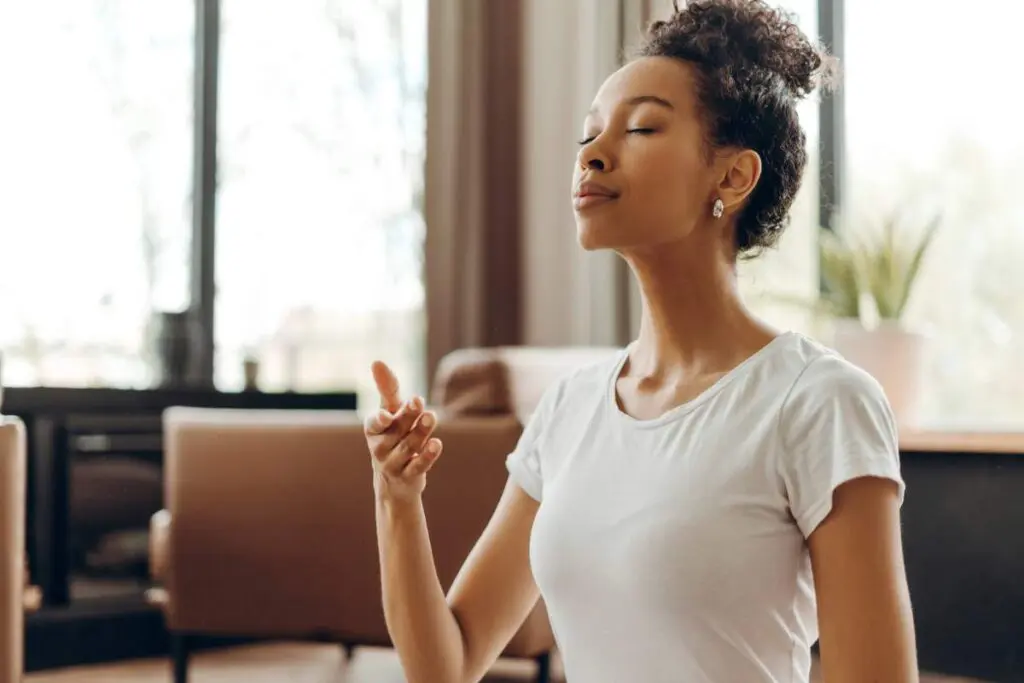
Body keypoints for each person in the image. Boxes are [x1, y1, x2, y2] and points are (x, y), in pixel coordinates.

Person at [364, 1, 918, 681]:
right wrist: (397, 497)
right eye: (588, 134)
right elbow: (445, 666)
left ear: (733, 176)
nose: (592, 154)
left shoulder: (819, 402)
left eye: (642, 127)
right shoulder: (569, 410)